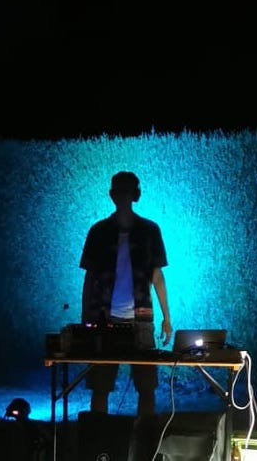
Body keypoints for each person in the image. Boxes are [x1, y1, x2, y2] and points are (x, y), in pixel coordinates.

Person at [79, 171, 172, 416]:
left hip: (140, 319)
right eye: (119, 191)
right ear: (112, 195)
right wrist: (85, 317)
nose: (122, 196)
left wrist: (167, 318)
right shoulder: (99, 231)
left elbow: (157, 276)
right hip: (104, 318)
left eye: (125, 191)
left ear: (135, 195)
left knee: (146, 385)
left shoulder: (149, 230)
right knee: (101, 385)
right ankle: (100, 434)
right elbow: (90, 278)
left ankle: (143, 435)